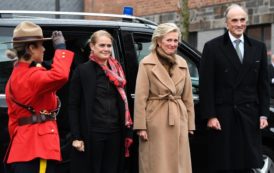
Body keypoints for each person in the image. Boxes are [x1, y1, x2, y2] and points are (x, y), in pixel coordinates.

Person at [199, 4, 269, 173]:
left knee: (247, 164)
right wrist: (210, 115)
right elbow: (206, 85)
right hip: (224, 117)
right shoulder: (212, 47)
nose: (239, 24)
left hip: (249, 115)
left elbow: (263, 84)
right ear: (226, 23)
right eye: (235, 20)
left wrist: (264, 113)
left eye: (242, 20)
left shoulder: (258, 47)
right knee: (225, 163)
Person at [4, 21, 74, 173]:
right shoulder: (32, 76)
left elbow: (13, 120)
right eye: (41, 45)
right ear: (30, 48)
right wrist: (61, 49)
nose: (43, 49)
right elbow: (60, 76)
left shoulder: (15, 76)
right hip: (37, 150)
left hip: (23, 149)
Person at [133, 23, 195, 173]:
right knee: (157, 163)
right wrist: (141, 126)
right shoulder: (146, 63)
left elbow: (188, 97)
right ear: (159, 41)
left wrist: (190, 124)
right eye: (169, 40)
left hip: (179, 118)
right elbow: (141, 97)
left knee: (179, 163)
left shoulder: (182, 63)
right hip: (156, 119)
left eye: (175, 40)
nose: (173, 44)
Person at [68, 30, 133, 173]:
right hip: (93, 133)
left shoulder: (118, 71)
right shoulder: (82, 71)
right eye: (102, 45)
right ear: (92, 46)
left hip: (115, 132)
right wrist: (77, 137)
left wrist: (128, 132)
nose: (106, 49)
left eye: (109, 46)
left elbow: (124, 102)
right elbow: (73, 106)